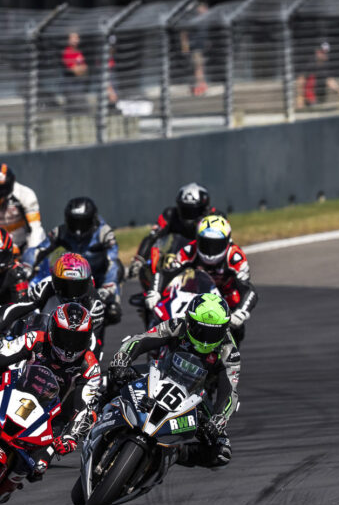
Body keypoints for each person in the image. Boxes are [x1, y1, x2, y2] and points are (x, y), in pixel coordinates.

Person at [0, 303, 102, 480]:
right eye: (65, 337)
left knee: (38, 467)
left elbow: (84, 406)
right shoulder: (36, 339)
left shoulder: (90, 366)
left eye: (77, 340)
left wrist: (71, 437)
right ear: (53, 330)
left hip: (51, 415)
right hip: (14, 389)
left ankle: (0, 489)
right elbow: (0, 354)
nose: (69, 346)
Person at [108, 293, 240, 466]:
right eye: (202, 330)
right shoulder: (178, 325)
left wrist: (219, 419)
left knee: (222, 452)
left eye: (215, 332)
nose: (206, 339)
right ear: (190, 321)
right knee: (115, 375)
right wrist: (123, 358)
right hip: (160, 374)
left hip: (197, 395)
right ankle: (94, 414)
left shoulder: (229, 351)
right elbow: (141, 339)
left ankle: (173, 453)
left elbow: (229, 392)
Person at [147, 215, 258, 343]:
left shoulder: (235, 257)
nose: (210, 250)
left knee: (237, 329)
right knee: (161, 310)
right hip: (198, 292)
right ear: (198, 240)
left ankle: (227, 357)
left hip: (226, 296)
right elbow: (165, 273)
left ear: (227, 241)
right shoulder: (191, 249)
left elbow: (249, 290)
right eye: (206, 243)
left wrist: (240, 313)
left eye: (216, 244)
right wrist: (154, 292)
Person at [31, 197, 122, 325]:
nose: (78, 229)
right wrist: (27, 265)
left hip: (100, 279)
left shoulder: (104, 232)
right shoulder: (61, 231)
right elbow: (40, 249)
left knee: (113, 313)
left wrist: (108, 286)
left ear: (92, 220)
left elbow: (112, 261)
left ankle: (109, 309)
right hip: (74, 277)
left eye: (83, 223)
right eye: (74, 223)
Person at [0, 252, 106, 342]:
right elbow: (17, 307)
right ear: (54, 280)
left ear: (87, 283)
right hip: (43, 341)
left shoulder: (94, 303)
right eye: (64, 285)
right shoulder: (46, 287)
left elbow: (93, 343)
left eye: (77, 286)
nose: (70, 293)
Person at [129, 182, 216, 281]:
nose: (189, 215)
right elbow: (152, 237)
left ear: (204, 209)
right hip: (174, 260)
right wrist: (139, 260)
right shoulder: (170, 215)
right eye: (185, 210)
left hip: (203, 265)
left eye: (193, 211)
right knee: (146, 272)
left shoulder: (214, 217)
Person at [297, 42, 339, 109]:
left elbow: (329, 81)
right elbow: (301, 80)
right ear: (317, 52)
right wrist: (300, 98)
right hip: (310, 100)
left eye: (326, 53)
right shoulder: (310, 64)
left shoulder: (326, 65)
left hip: (320, 99)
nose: (325, 55)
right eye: (323, 52)